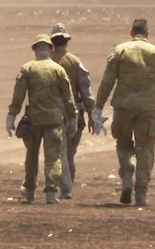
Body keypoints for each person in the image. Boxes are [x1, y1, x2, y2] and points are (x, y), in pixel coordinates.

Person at [93, 19, 155, 207]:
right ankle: (141, 193)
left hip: (123, 107)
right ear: (147, 34)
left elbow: (107, 81)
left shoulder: (120, 51)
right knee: (145, 149)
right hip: (147, 108)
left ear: (131, 32)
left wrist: (98, 106)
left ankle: (127, 172)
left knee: (123, 143)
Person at [7, 34, 78, 205]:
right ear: (50, 49)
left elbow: (18, 96)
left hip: (34, 121)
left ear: (34, 50)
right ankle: (51, 193)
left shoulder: (27, 69)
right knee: (53, 157)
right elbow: (68, 98)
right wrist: (73, 118)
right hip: (54, 120)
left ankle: (30, 191)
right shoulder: (58, 70)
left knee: (31, 157)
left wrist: (11, 117)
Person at [49, 23, 96, 199]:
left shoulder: (46, 62)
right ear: (67, 41)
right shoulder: (76, 62)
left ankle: (65, 187)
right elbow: (85, 91)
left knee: (61, 151)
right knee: (70, 151)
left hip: (52, 112)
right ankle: (67, 187)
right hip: (75, 112)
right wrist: (91, 115)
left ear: (51, 43)